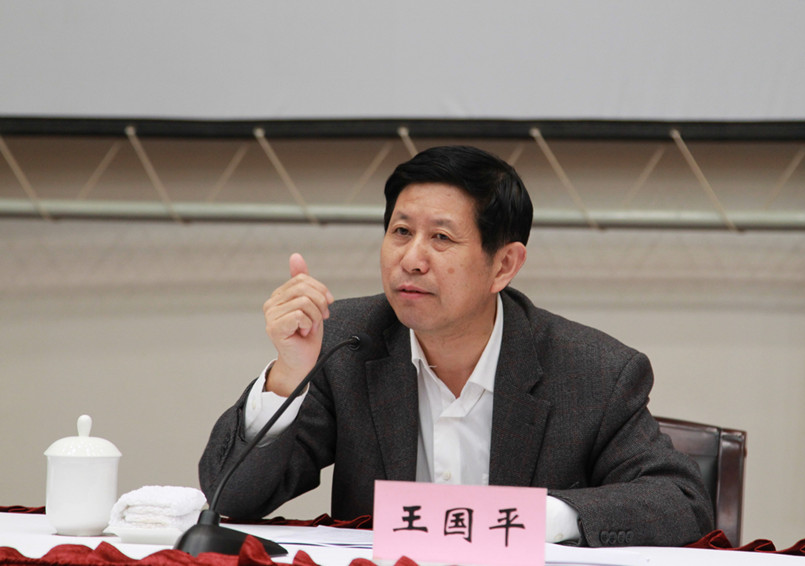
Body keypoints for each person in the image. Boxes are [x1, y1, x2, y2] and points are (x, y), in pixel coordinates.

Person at [199, 145, 713, 547]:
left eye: (441, 238)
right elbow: (231, 496)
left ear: (503, 265)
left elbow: (682, 501)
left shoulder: (593, 370)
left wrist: (536, 519)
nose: (412, 259)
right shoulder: (346, 343)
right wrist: (288, 374)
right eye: (401, 231)